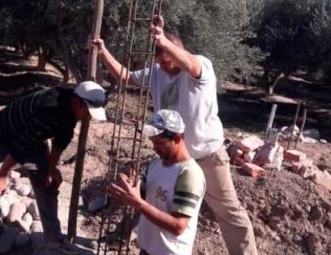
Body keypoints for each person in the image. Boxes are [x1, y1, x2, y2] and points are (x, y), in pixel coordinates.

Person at [96, 15, 258, 255]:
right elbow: (126, 77)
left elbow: (191, 65)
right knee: (153, 196)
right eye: (158, 60)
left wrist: (163, 40)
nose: (161, 66)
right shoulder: (157, 72)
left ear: (176, 52)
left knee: (229, 212)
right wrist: (103, 52)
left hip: (207, 155)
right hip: (172, 155)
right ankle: (123, 238)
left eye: (166, 59)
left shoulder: (200, 66)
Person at [0, 81, 107, 255]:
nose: (88, 117)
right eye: (88, 112)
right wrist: (3, 174)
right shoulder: (49, 107)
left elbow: (60, 142)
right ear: (78, 101)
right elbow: (21, 144)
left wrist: (50, 169)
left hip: (31, 137)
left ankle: (54, 239)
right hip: (0, 135)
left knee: (47, 185)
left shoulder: (71, 110)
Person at [109, 109, 205, 255]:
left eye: (160, 143)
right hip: (147, 250)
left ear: (177, 139)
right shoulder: (155, 164)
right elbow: (144, 195)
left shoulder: (189, 174)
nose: (155, 148)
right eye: (153, 142)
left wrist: (137, 203)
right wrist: (129, 189)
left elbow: (178, 227)